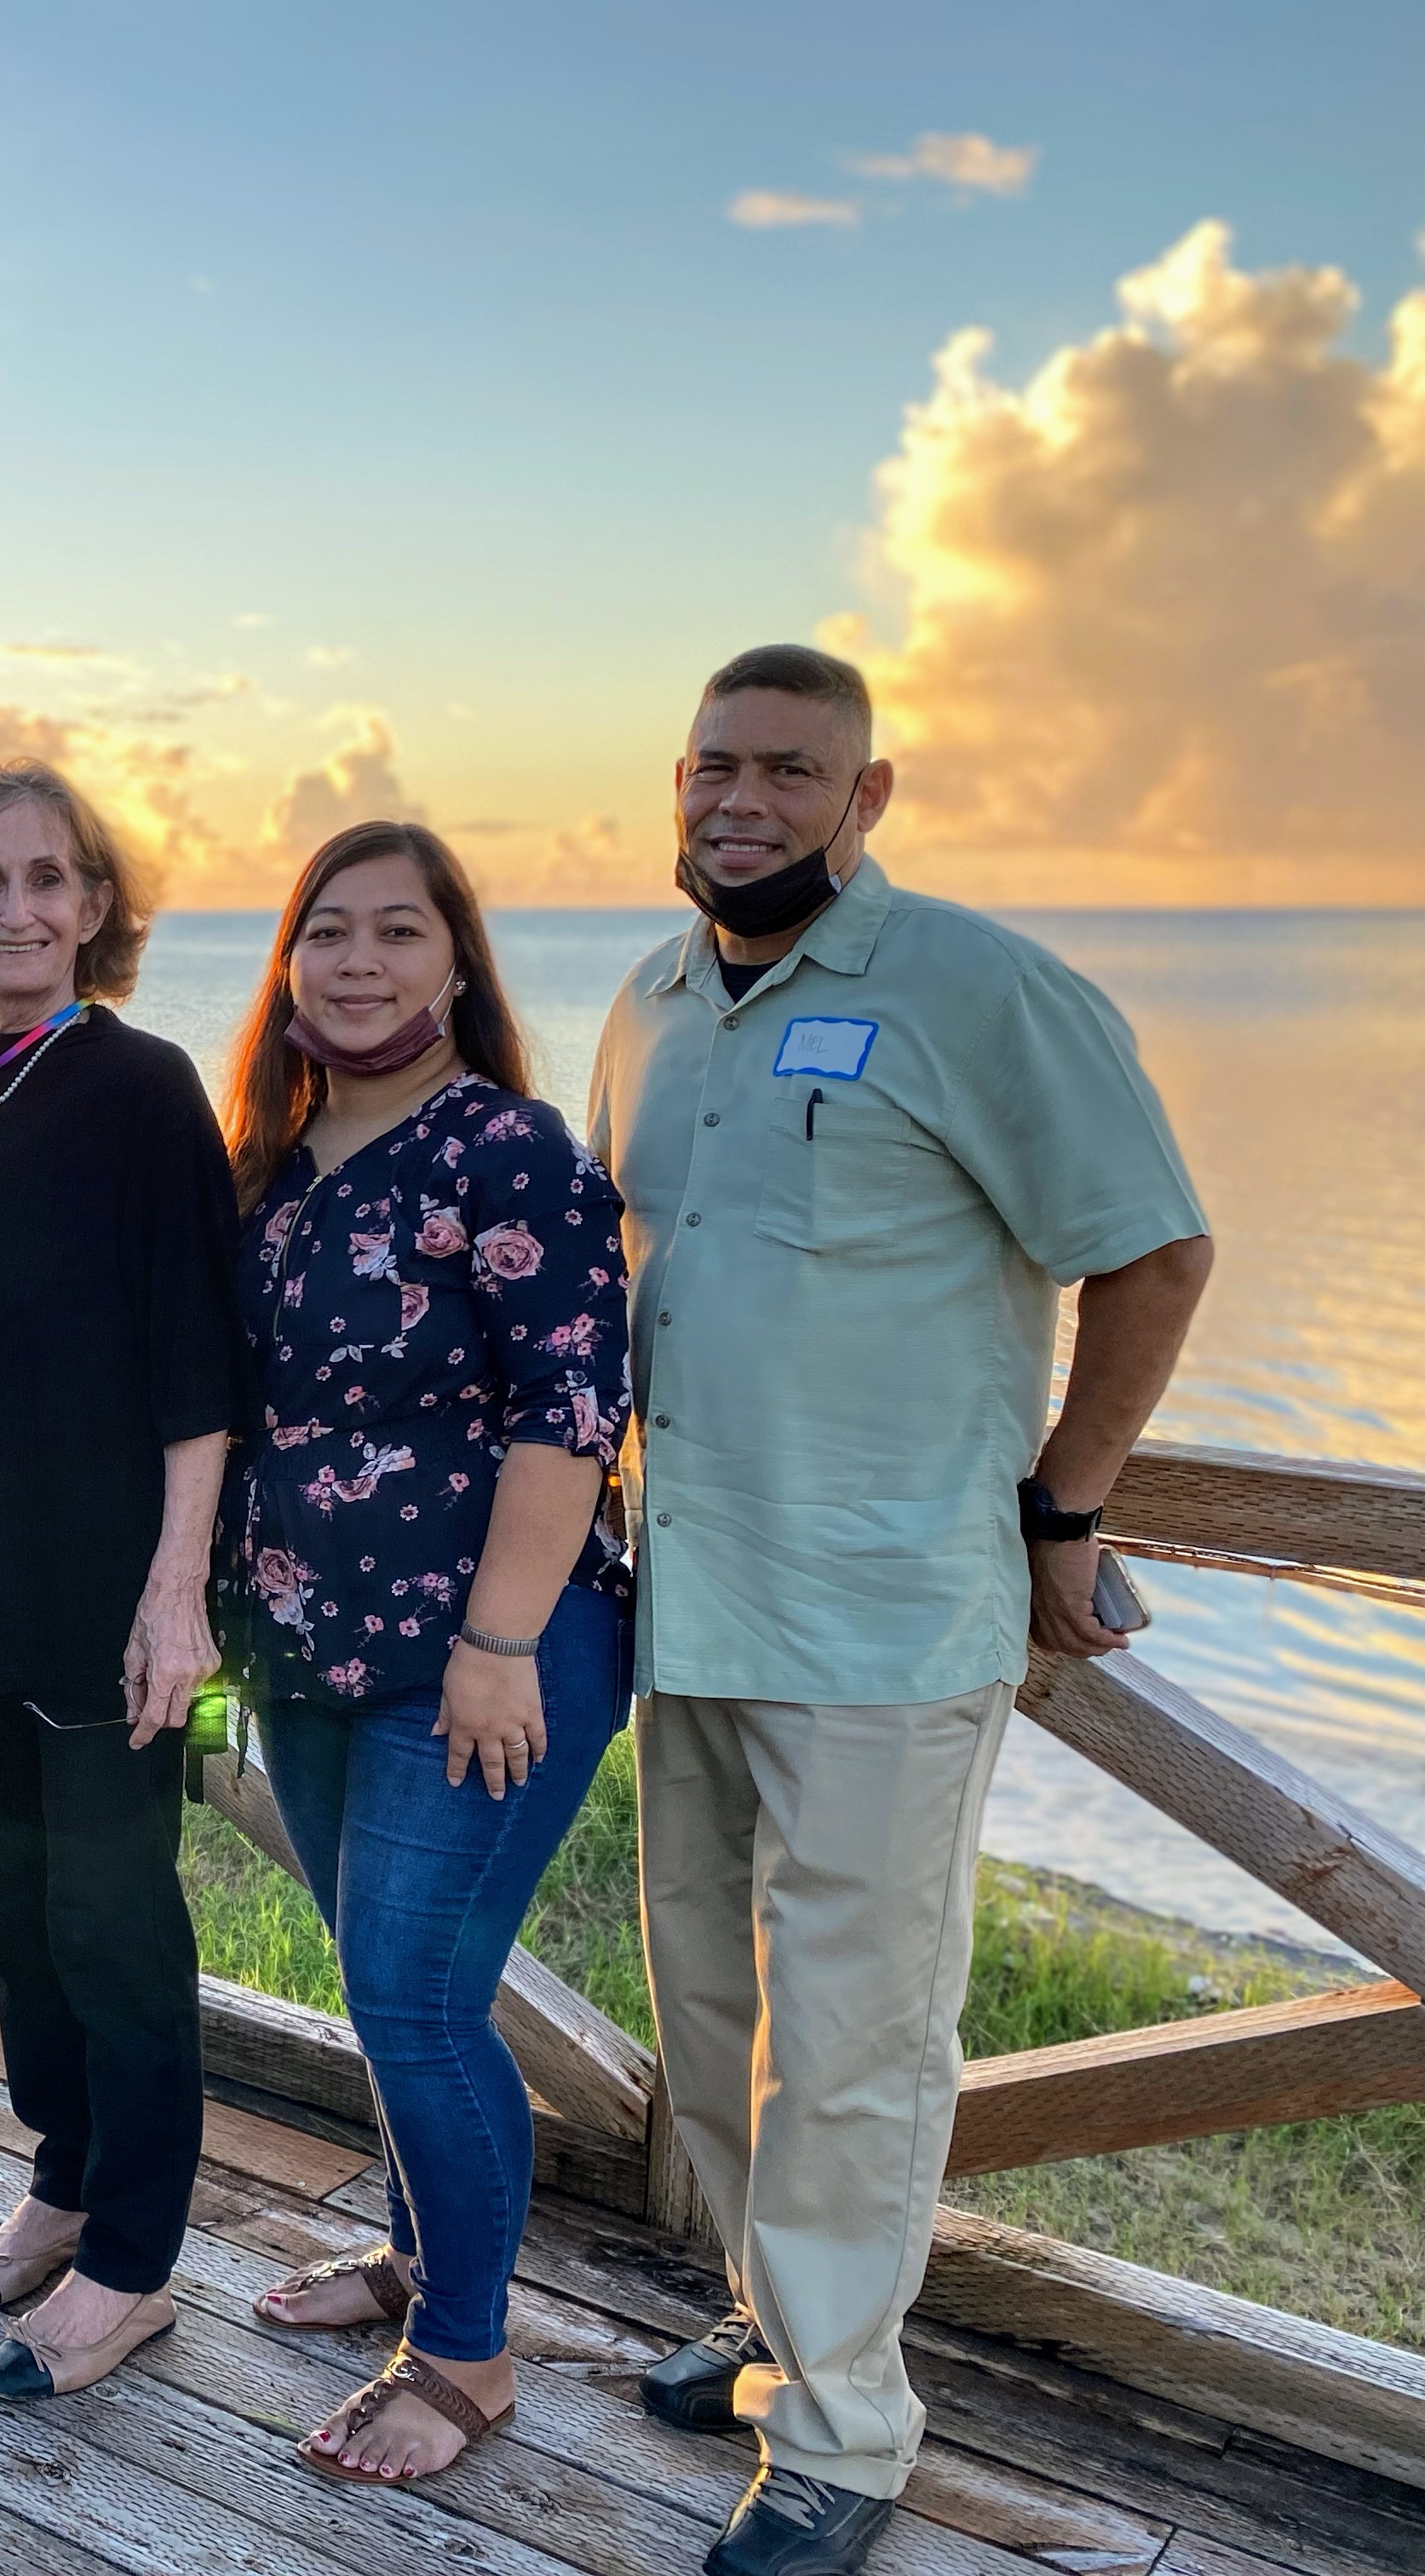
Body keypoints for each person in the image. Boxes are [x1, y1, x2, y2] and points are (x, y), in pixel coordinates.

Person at [591, 646, 1210, 2576]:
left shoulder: (979, 989)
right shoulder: (654, 1001)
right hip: (684, 1595)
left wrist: (1070, 1507)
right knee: (708, 2005)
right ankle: (777, 2324)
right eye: (712, 768)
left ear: (871, 795)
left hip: (879, 1613)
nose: (740, 801)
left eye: (791, 769)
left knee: (852, 2038)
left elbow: (1159, 1255)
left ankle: (848, 2437)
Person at [224, 820, 634, 2490]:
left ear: (457, 961)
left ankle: (467, 2353)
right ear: (289, 963)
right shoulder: (274, 1165)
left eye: (399, 931)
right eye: (328, 932)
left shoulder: (506, 1153)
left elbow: (570, 1411)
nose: (360, 961)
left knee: (415, 1990)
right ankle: (417, 2254)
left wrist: (495, 1643)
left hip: (478, 1658)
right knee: (390, 1984)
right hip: (302, 1648)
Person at [0, 760, 244, 2401]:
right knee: (17, 1919)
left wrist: (179, 1594)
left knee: (117, 1926)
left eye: (48, 880)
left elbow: (196, 1358)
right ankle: (65, 2185)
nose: (16, 909)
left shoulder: (141, 1083)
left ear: (96, 908)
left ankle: (137, 2265)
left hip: (114, 1597)